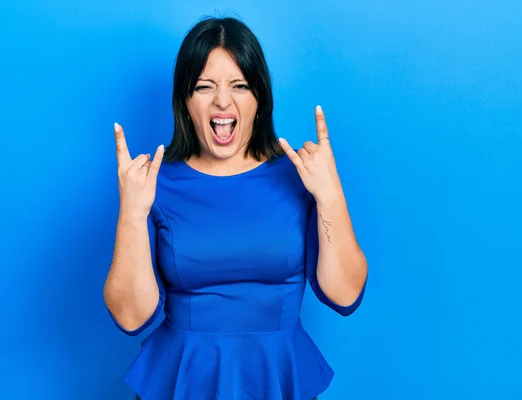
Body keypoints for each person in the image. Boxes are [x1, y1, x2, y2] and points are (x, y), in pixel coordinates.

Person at [103, 16, 368, 400]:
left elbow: (345, 295)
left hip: (277, 379)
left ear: (259, 99)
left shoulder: (300, 178)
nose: (223, 101)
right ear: (185, 101)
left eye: (240, 86)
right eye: (205, 87)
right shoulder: (153, 185)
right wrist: (131, 212)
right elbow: (131, 317)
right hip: (183, 381)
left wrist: (330, 195)